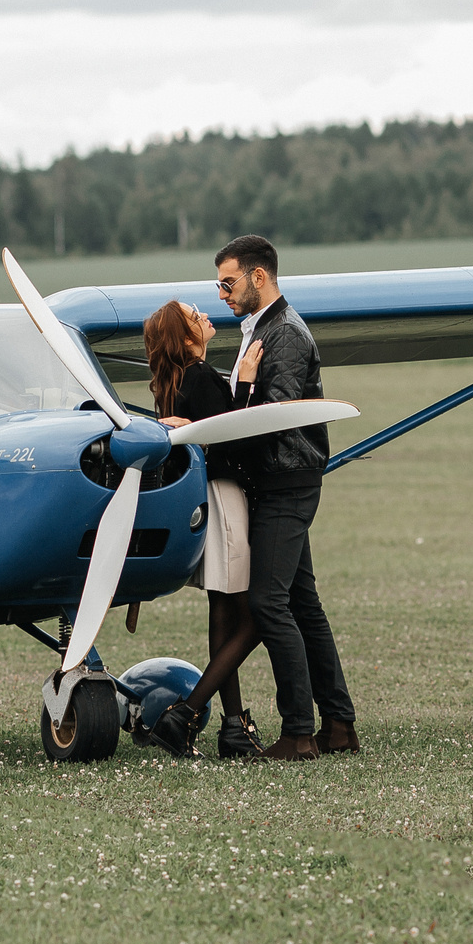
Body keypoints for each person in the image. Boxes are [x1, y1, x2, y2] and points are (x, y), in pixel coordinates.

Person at [164, 233, 357, 761]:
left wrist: (208, 423)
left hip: (285, 483)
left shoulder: (286, 334)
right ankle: (338, 725)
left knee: (269, 604)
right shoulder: (261, 329)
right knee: (302, 604)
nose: (221, 294)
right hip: (277, 480)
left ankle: (298, 733)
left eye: (227, 283)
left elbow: (266, 421)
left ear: (258, 277)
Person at [138, 298, 263, 759]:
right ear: (187, 338)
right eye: (196, 317)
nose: (206, 316)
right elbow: (237, 438)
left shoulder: (171, 386)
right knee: (258, 614)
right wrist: (247, 383)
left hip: (199, 501)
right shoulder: (202, 378)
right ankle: (187, 712)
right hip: (225, 498)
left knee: (223, 609)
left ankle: (233, 726)